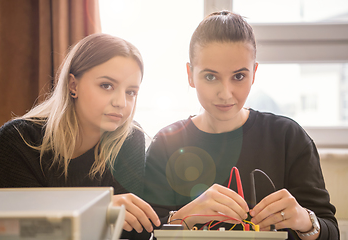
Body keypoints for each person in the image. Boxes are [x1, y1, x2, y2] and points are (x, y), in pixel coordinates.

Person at [143, 11, 339, 240]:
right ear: (190, 75)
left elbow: (330, 232)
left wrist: (304, 221)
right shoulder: (166, 143)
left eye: (238, 77)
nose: (226, 94)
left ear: (254, 73)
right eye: (210, 77)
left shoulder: (288, 137)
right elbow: (145, 233)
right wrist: (184, 217)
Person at [0, 33, 160, 239]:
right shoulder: (18, 138)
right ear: (73, 85)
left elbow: (135, 233)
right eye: (107, 86)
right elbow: (16, 231)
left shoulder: (129, 139)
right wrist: (99, 210)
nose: (121, 103)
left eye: (131, 92)